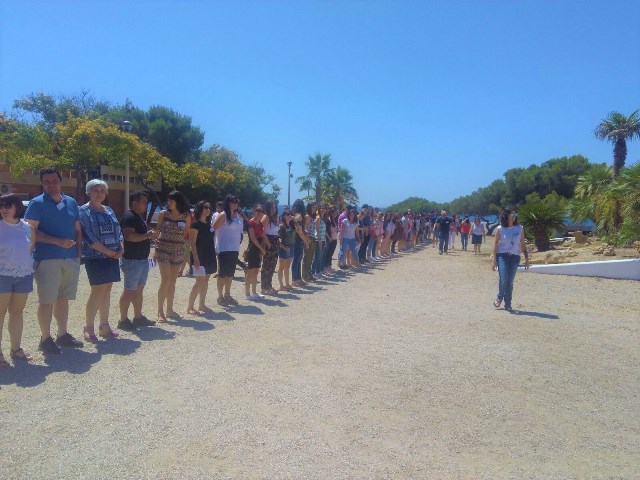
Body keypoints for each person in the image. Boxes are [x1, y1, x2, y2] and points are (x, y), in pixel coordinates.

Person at [25, 167, 84, 355]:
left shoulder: (71, 202)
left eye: (54, 181)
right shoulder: (37, 203)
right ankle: (45, 338)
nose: (51, 184)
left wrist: (78, 253)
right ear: (42, 184)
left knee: (63, 299)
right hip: (47, 259)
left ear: (61, 181)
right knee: (47, 301)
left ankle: (62, 334)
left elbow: (77, 230)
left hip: (70, 259)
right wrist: (56, 241)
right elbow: (30, 231)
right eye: (46, 182)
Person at [79, 180, 123, 342]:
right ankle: (88, 327)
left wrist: (121, 247)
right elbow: (88, 236)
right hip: (95, 257)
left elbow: (118, 230)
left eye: (102, 190)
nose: (99, 193)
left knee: (107, 290)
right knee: (97, 291)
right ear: (89, 192)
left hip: (112, 256)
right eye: (96, 190)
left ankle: (104, 325)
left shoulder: (109, 210)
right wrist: (109, 252)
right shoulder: (83, 211)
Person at [0, 194, 35, 365]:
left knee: (17, 312)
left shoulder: (27, 228)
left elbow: (30, 248)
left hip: (24, 275)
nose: (3, 209)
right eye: (1, 206)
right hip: (2, 275)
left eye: (7, 205)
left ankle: (15, 348)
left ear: (17, 207)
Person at [118, 190, 156, 331]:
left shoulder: (137, 216)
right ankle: (123, 320)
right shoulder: (129, 217)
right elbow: (130, 237)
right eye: (144, 202)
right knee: (129, 291)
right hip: (132, 260)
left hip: (141, 259)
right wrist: (147, 235)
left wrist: (148, 235)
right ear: (135, 202)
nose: (146, 205)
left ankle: (138, 317)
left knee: (138, 290)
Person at [155, 190, 191, 323]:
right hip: (163, 249)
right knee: (165, 280)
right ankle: (160, 311)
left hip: (178, 250)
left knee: (173, 281)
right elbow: (157, 231)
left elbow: (186, 232)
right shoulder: (163, 214)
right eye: (168, 200)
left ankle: (170, 309)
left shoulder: (186, 216)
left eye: (171, 200)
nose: (168, 203)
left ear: (178, 202)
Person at [492, 207, 530, 312]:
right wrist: (493, 260)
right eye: (512, 215)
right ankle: (499, 297)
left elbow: (523, 243)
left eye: (515, 215)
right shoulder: (500, 229)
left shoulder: (520, 228)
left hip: (515, 257)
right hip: (502, 255)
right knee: (504, 278)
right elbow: (495, 244)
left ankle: (508, 304)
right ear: (506, 216)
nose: (514, 217)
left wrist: (527, 258)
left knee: (510, 281)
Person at [212, 194, 243, 307]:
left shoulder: (237, 216)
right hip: (224, 248)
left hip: (234, 248)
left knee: (230, 274)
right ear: (227, 203)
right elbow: (213, 228)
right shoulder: (223, 215)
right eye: (232, 202)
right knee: (222, 274)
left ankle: (227, 294)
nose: (235, 204)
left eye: (236, 202)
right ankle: (220, 296)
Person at [187, 201, 216, 314]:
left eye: (209, 207)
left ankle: (201, 305)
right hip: (199, 255)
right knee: (199, 281)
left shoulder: (209, 224)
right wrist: (195, 258)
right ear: (200, 209)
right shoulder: (195, 224)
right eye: (205, 207)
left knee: (206, 280)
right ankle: (190, 307)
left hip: (209, 254)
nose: (208, 209)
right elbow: (192, 243)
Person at [245, 205, 268, 300]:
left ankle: (254, 292)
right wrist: (261, 248)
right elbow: (253, 238)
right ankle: (247, 293)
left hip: (259, 248)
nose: (259, 213)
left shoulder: (260, 223)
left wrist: (266, 245)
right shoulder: (251, 222)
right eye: (258, 211)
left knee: (256, 271)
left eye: (261, 211)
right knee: (250, 271)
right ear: (254, 211)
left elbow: (262, 234)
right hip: (253, 248)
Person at [260, 200, 280, 295]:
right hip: (269, 241)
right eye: (271, 207)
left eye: (275, 207)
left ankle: (269, 285)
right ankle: (264, 287)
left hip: (275, 241)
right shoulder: (266, 217)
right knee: (266, 265)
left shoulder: (274, 218)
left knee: (272, 265)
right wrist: (268, 243)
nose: (273, 209)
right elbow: (262, 231)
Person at [290, 199, 307, 287]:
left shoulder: (293, 215)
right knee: (297, 259)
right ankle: (295, 279)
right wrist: (306, 241)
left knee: (298, 259)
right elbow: (299, 230)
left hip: (294, 238)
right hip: (298, 238)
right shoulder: (299, 216)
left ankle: (298, 278)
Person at [277, 211, 296, 291]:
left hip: (292, 246)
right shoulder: (281, 226)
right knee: (281, 267)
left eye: (290, 214)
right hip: (285, 247)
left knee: (287, 267)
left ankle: (287, 283)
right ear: (284, 216)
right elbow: (278, 239)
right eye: (288, 215)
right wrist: (284, 247)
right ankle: (281, 285)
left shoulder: (292, 225)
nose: (290, 216)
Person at [301, 202, 317, 282]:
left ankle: (309, 274)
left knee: (310, 257)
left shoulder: (312, 216)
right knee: (307, 257)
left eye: (315, 208)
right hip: (309, 238)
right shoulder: (307, 216)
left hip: (313, 237)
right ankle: (305, 275)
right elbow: (304, 228)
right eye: (313, 207)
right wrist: (307, 238)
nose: (314, 209)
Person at [312, 205, 328, 277]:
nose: (323, 210)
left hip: (323, 239)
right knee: (317, 256)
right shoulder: (318, 218)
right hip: (318, 239)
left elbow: (324, 231)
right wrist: (319, 239)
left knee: (320, 256)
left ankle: (318, 271)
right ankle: (313, 272)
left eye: (324, 208)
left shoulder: (323, 218)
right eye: (322, 208)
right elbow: (317, 229)